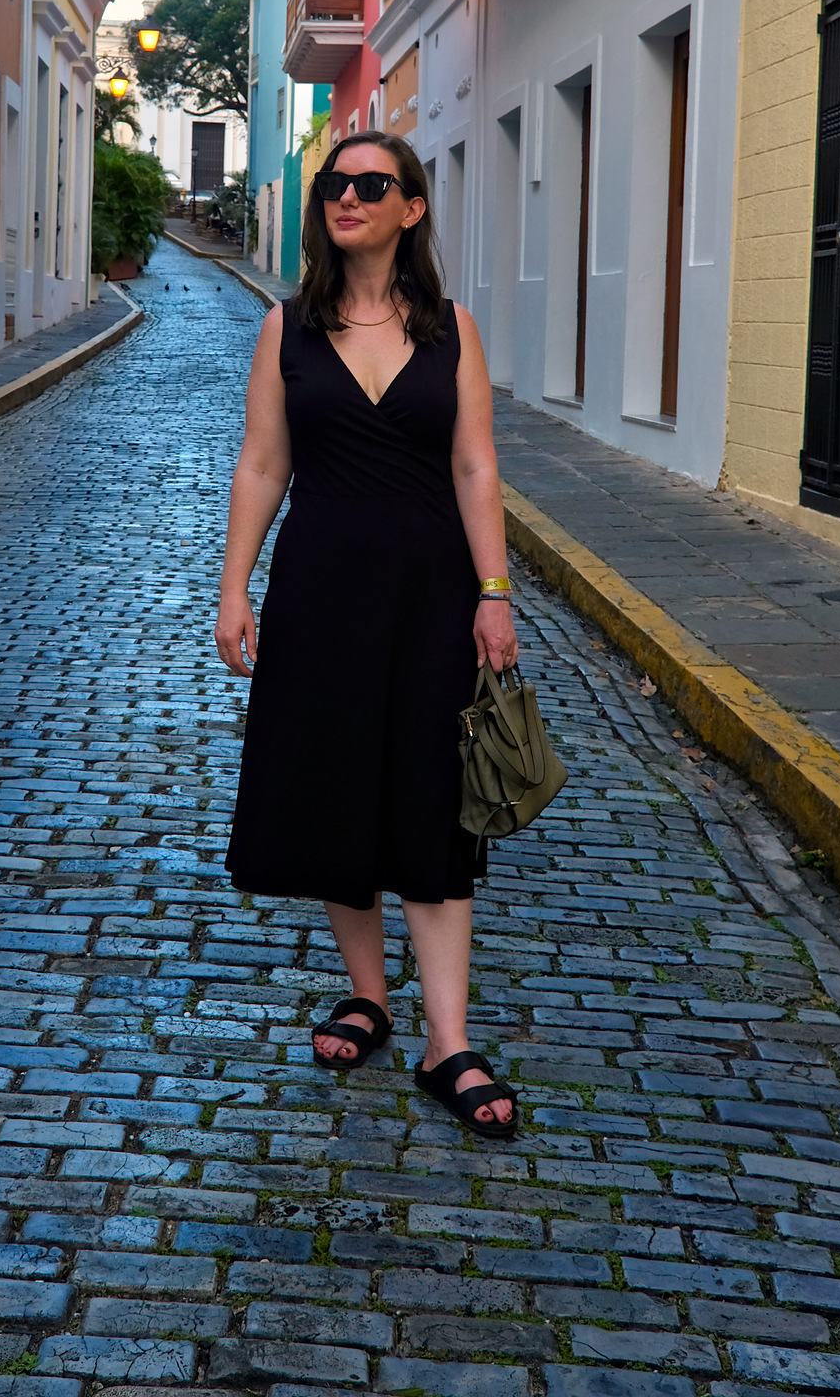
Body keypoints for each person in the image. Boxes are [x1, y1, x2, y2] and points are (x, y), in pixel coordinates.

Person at [214, 130, 519, 1139]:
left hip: (432, 590)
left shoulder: (454, 332)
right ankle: (368, 993)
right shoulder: (286, 329)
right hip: (321, 590)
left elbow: (474, 466)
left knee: (434, 804)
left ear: (411, 207)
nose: (348, 197)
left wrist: (494, 591)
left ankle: (448, 1039)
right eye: (335, 186)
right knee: (339, 789)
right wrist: (234, 588)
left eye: (370, 184)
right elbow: (263, 464)